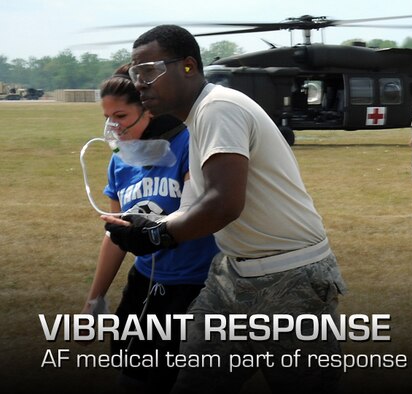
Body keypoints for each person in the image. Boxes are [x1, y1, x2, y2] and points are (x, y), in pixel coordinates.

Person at [102, 25, 347, 393]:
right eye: (137, 73)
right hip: (233, 276)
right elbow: (200, 204)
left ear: (188, 66)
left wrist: (156, 233)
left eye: (150, 70)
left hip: (289, 278)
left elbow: (224, 204)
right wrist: (152, 221)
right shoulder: (199, 116)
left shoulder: (219, 108)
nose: (140, 83)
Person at [81, 65, 219, 394]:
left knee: (175, 379)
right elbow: (117, 235)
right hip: (145, 280)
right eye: (107, 117)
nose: (113, 127)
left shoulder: (189, 143)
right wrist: (94, 298)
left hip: (195, 283)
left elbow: (196, 212)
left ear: (148, 109)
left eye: (121, 115)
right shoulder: (120, 160)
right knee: (129, 372)